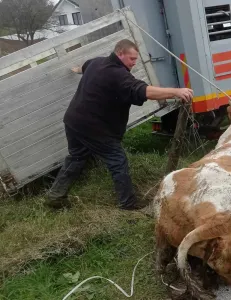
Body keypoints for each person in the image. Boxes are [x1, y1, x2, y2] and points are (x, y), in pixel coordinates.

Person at [44, 39, 193, 211]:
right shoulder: (118, 75)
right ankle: (128, 204)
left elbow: (83, 67)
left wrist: (76, 69)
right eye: (131, 59)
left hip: (73, 121)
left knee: (76, 157)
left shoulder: (96, 62)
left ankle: (55, 196)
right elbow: (143, 91)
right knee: (117, 160)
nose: (134, 63)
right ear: (119, 53)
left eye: (136, 59)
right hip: (94, 127)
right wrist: (176, 92)